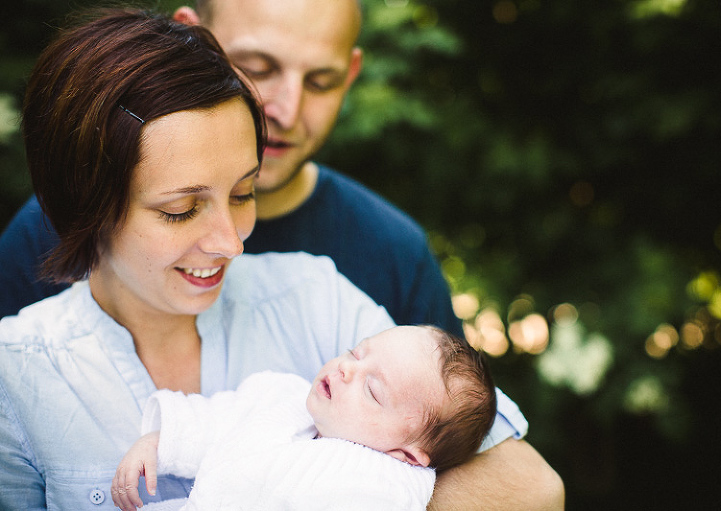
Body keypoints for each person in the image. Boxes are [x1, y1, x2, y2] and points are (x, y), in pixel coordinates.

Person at [0, 7, 537, 510]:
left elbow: (534, 489)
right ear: (84, 205)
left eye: (242, 194)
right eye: (181, 210)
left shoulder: (318, 296)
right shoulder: (18, 375)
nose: (232, 242)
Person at [0, 0, 463, 339]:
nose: (286, 109)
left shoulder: (394, 256)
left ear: (352, 73)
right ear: (191, 43)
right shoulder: (49, 234)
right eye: (256, 69)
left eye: (322, 82)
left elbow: (468, 442)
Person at [111, 326, 497, 511]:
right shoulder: (280, 396)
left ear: (407, 455)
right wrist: (158, 442)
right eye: (356, 353)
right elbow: (216, 419)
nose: (347, 369)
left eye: (372, 390)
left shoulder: (383, 488)